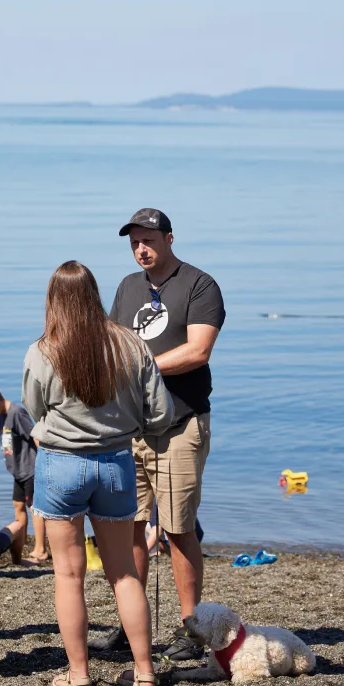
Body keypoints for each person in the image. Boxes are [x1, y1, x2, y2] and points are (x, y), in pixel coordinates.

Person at [22, 260, 175, 686]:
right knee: (124, 574)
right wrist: (131, 426)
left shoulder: (42, 349)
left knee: (69, 576)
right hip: (116, 464)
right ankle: (144, 672)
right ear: (95, 296)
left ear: (53, 300)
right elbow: (160, 414)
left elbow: (35, 409)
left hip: (61, 464)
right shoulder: (131, 344)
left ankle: (78, 673)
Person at [89, 208, 225, 663]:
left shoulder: (200, 285)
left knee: (178, 528)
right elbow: (113, 343)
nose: (141, 249)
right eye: (134, 243)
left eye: (148, 241)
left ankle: (193, 629)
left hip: (182, 423)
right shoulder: (129, 286)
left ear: (169, 239)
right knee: (129, 527)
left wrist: (139, 367)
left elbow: (198, 351)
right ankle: (133, 627)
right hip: (131, 428)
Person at [0, 383, 47, 563]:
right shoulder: (1, 415)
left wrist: (45, 462)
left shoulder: (16, 413)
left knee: (34, 509)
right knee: (17, 505)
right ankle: (18, 551)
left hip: (30, 469)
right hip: (18, 471)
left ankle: (40, 550)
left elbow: (34, 435)